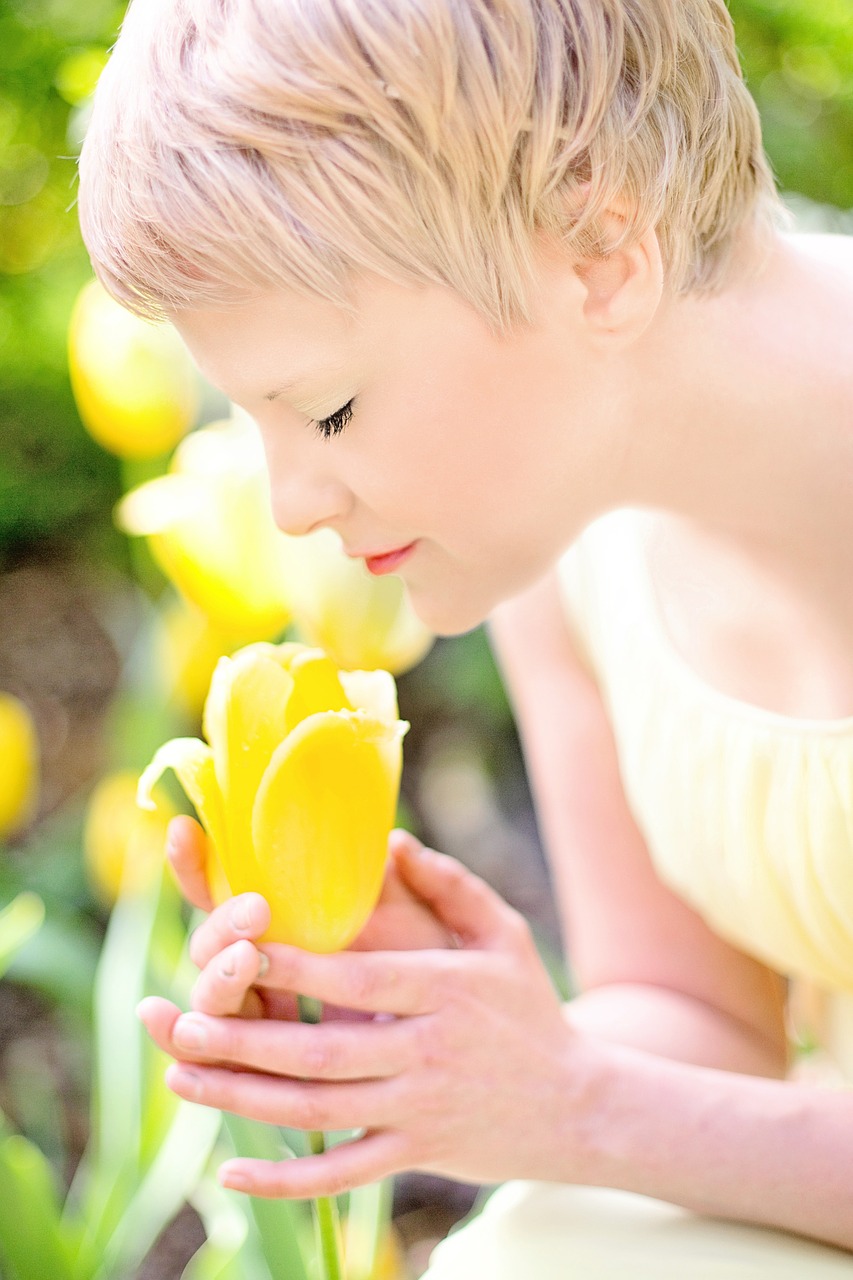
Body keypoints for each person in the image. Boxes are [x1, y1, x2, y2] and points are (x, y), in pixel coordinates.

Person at [77, 0, 853, 1271]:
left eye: (323, 412)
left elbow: (639, 1114)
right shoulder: (577, 543)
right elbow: (701, 1020)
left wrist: (590, 1108)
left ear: (600, 249)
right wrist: (450, 1035)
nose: (288, 505)